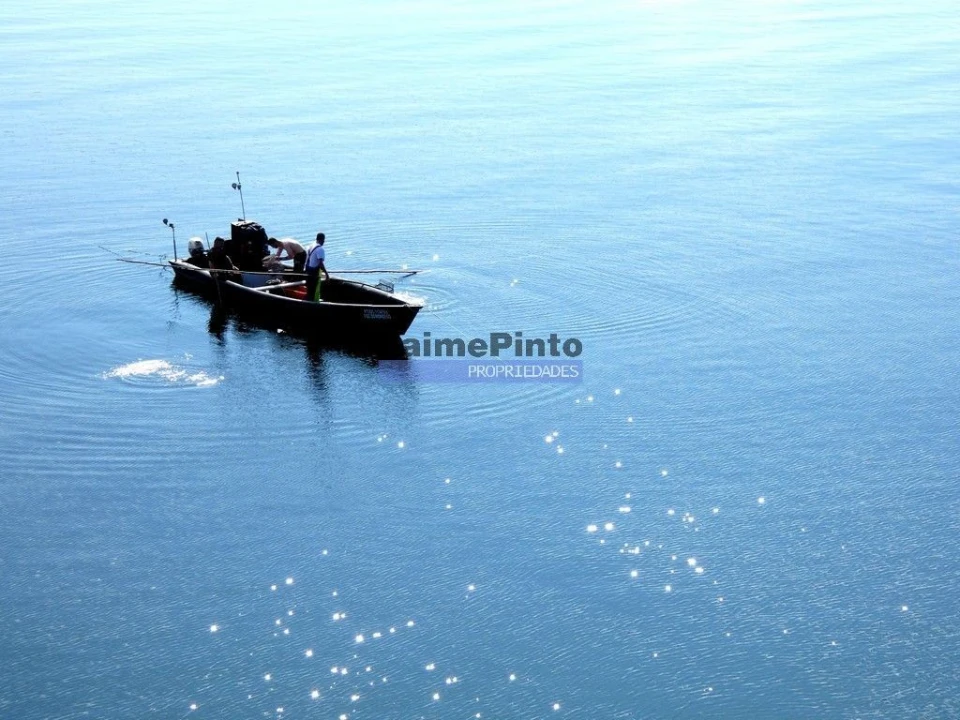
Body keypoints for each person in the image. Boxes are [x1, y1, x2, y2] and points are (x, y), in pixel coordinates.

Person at [304, 232, 329, 301]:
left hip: (308, 268)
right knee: (314, 287)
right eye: (324, 240)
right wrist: (326, 274)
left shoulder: (311, 245)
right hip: (314, 270)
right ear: (322, 240)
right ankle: (313, 301)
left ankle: (309, 299)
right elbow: (320, 264)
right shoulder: (320, 249)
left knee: (309, 287)